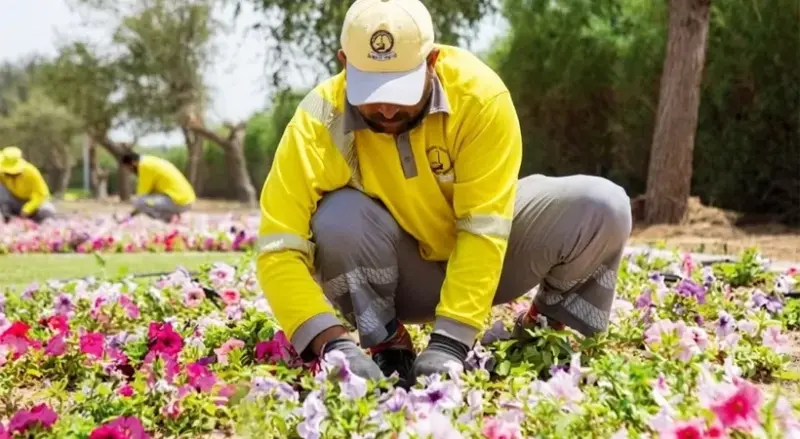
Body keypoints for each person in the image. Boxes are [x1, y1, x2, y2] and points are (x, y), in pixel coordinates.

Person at [255, 0, 633, 387]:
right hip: (402, 277)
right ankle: (387, 341)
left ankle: (540, 330)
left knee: (603, 206)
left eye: (400, 89)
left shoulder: (479, 97)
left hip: (494, 261)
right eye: (370, 90)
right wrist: (331, 342)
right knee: (337, 217)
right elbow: (277, 246)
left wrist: (452, 341)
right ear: (343, 62)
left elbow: (484, 227)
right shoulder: (320, 118)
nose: (386, 110)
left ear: (432, 60)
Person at [120, 152, 196, 223]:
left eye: (129, 168)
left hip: (179, 202)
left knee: (140, 202)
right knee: (149, 201)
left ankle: (171, 218)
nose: (130, 171)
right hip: (186, 200)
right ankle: (174, 216)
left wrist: (129, 217)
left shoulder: (144, 166)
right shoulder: (150, 161)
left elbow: (141, 200)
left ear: (133, 163)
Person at [0, 146, 57, 224]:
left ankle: (46, 222)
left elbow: (40, 195)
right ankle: (6, 216)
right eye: (7, 173)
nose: (10, 175)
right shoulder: (1, 172)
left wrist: (27, 209)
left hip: (33, 203)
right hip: (13, 202)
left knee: (47, 209)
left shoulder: (31, 172)